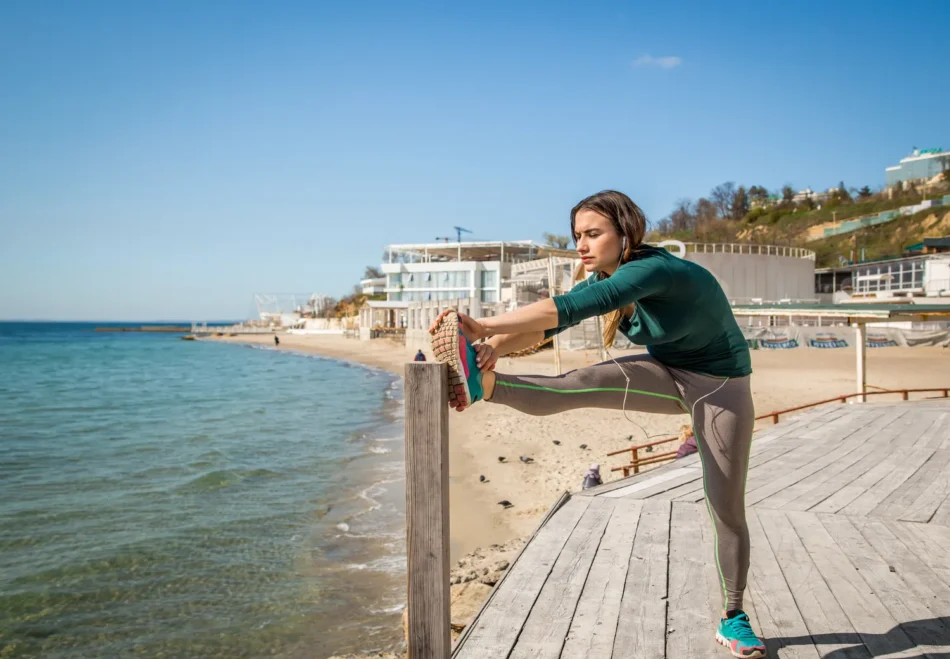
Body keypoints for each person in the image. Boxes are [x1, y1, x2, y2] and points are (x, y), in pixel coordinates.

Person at [429, 190, 764, 659]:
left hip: (720, 386)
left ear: (625, 233)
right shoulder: (603, 276)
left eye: (593, 234)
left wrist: (483, 326)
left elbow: (563, 310)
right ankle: (485, 385)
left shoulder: (653, 269)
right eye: (577, 236)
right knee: (577, 382)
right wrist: (493, 350)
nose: (582, 246)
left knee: (725, 507)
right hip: (666, 373)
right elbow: (546, 325)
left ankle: (734, 617)